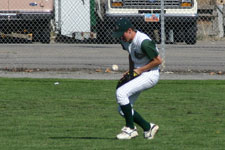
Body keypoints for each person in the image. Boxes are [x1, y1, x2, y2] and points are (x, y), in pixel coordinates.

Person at [112, 18, 162, 140]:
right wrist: (131, 71)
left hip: (150, 75)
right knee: (123, 110)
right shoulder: (126, 40)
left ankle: (130, 129)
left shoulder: (143, 42)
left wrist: (139, 70)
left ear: (129, 30)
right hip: (140, 74)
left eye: (122, 34)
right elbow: (131, 54)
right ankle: (148, 127)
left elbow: (158, 61)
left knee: (121, 93)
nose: (121, 37)